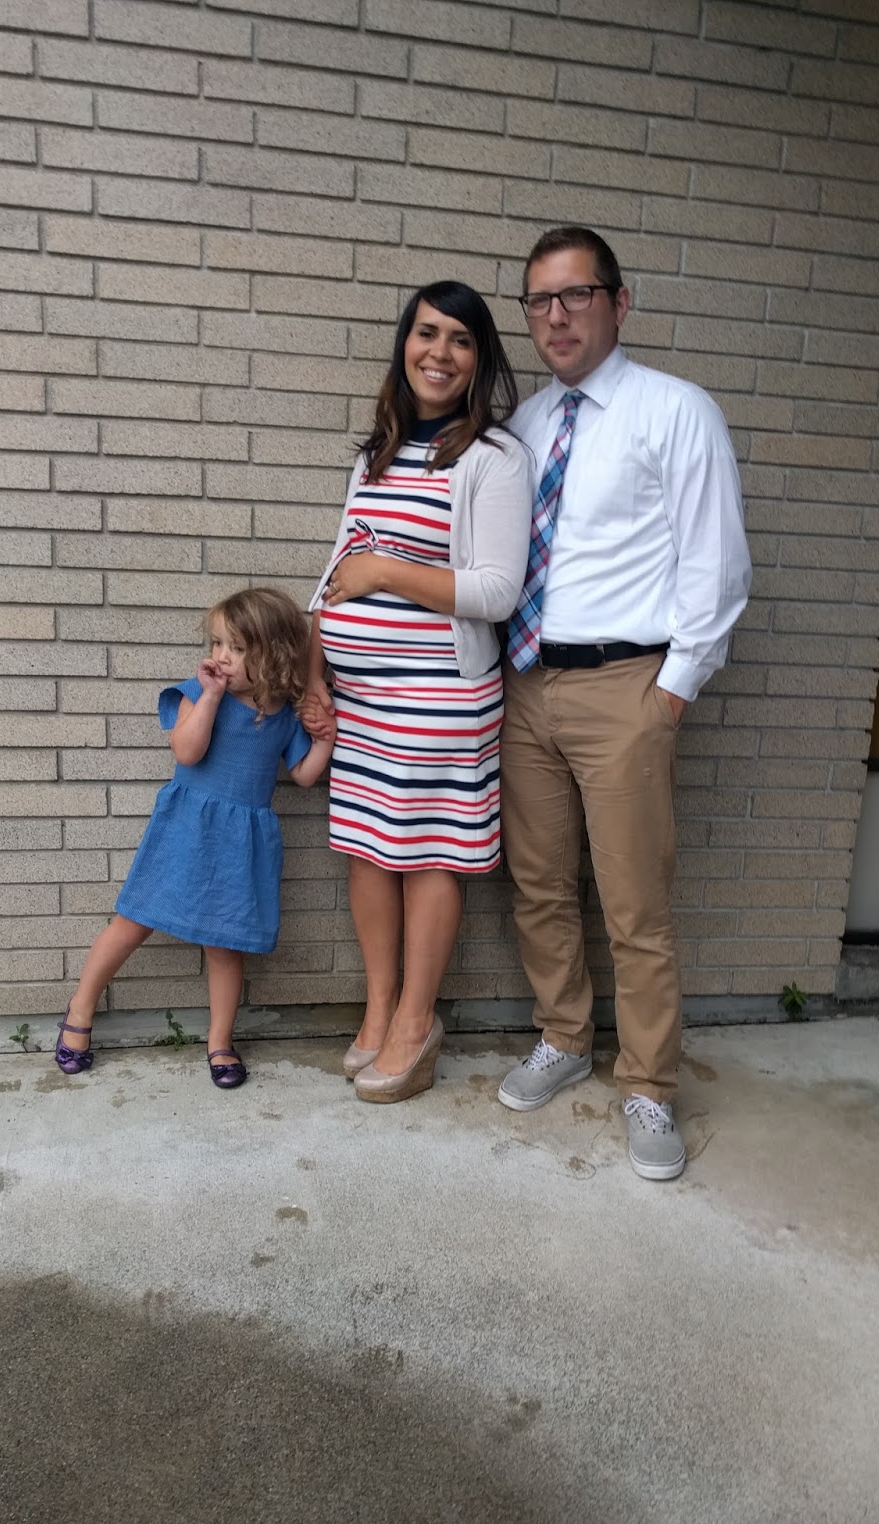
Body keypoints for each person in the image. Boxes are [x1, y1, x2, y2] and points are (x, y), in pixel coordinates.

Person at [498, 226, 752, 1180]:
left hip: (625, 688)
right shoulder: (525, 426)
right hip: (526, 684)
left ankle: (649, 1084)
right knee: (538, 883)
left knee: (635, 903)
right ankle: (564, 1036)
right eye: (540, 300)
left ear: (619, 301)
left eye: (576, 294)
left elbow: (717, 564)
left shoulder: (675, 412)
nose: (556, 316)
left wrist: (669, 696)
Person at [303, 280, 533, 1104]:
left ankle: (415, 1019)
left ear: (480, 360)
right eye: (426, 333)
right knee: (368, 848)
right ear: (405, 343)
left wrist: (387, 572)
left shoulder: (494, 459)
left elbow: (497, 591)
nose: (439, 352)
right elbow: (338, 569)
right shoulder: (377, 453)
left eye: (460, 339)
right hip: (362, 702)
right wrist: (315, 672)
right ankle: (377, 1009)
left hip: (440, 697)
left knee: (429, 852)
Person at [53, 588, 334, 1088]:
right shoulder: (198, 693)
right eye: (217, 643)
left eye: (237, 648)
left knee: (224, 946)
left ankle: (220, 1040)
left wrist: (326, 740)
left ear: (275, 654)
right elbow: (186, 751)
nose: (221, 656)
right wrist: (210, 697)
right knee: (133, 921)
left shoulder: (283, 714)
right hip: (186, 828)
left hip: (238, 844)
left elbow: (305, 776)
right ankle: (80, 1009)